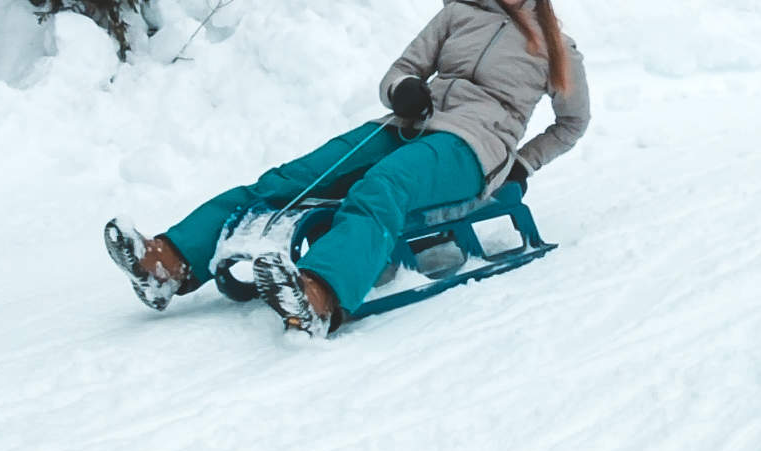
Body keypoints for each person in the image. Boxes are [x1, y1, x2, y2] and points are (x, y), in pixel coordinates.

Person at [103, 0, 591, 336]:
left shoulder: (557, 49)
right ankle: (167, 262)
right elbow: (401, 70)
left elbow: (572, 124)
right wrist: (403, 90)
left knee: (385, 186)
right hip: (405, 125)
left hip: (471, 149)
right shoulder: (457, 13)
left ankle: (322, 293)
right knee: (290, 179)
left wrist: (521, 164)